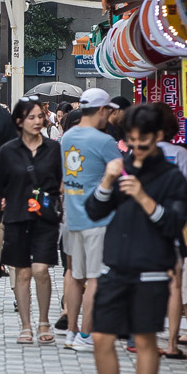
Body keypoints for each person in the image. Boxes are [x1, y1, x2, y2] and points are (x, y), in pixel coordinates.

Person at [73, 103, 187, 374]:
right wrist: (107, 182)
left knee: (144, 339)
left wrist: (143, 198)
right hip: (114, 268)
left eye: (144, 141)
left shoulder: (171, 177)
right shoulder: (120, 167)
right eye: (132, 140)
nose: (136, 147)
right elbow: (94, 211)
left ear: (159, 137)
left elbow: (173, 224)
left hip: (151, 270)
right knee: (100, 337)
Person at [57, 89, 120, 352]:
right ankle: (85, 334)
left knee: (74, 275)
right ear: (102, 110)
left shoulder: (67, 137)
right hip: (98, 219)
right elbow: (121, 174)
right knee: (94, 278)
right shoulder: (105, 142)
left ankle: (71, 332)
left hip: (72, 217)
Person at [0, 99, 62, 345]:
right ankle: (26, 325)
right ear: (19, 121)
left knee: (41, 270)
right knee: (22, 273)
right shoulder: (8, 151)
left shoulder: (53, 148)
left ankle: (43, 320)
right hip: (16, 217)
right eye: (31, 117)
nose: (37, 122)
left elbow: (59, 181)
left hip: (45, 217)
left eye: (39, 117)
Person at [157, 128, 187, 359]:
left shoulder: (134, 157)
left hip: (143, 230)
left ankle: (139, 337)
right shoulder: (180, 155)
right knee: (174, 285)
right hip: (173, 228)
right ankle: (172, 344)